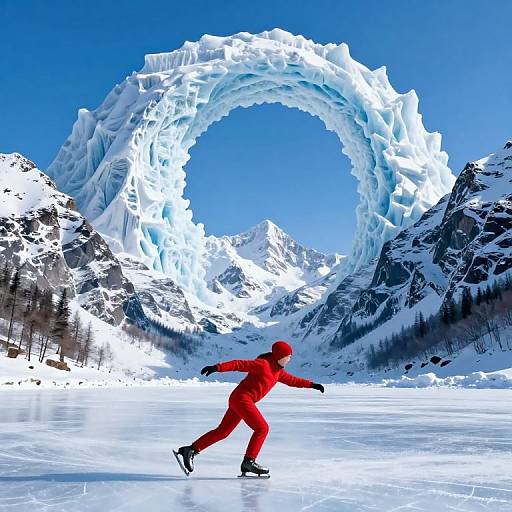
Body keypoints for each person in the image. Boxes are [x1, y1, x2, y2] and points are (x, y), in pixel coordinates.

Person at [176, 340, 325, 476]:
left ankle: (191, 449)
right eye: (288, 356)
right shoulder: (263, 364)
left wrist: (312, 385)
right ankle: (249, 462)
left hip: (240, 399)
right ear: (279, 355)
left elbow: (294, 381)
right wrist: (217, 367)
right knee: (262, 428)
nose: (290, 358)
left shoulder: (278, 372)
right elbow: (239, 364)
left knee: (222, 431)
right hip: (242, 398)